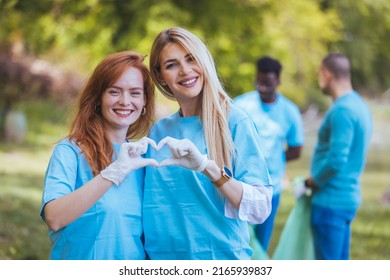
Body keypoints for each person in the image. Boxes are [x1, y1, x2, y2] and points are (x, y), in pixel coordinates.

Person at [143, 26, 273, 260]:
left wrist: (210, 170)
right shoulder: (159, 131)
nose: (185, 71)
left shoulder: (234, 122)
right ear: (160, 75)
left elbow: (260, 208)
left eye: (191, 59)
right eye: (172, 65)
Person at [40, 51, 158, 259]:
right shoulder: (70, 152)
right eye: (114, 91)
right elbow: (54, 217)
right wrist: (111, 174)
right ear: (98, 97)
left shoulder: (143, 160)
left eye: (135, 93)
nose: (125, 101)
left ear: (145, 101)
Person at [304, 53, 373, 260]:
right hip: (347, 197)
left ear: (326, 74)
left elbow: (336, 160)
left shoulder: (343, 110)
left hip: (331, 201)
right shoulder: (359, 105)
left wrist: (313, 181)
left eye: (319, 74)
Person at [234, 56, 304, 251]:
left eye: (268, 83)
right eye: (259, 82)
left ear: (278, 82)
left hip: (271, 187)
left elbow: (297, 149)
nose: (262, 88)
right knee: (238, 240)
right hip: (241, 185)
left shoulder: (289, 111)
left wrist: (271, 161)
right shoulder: (241, 105)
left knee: (261, 243)